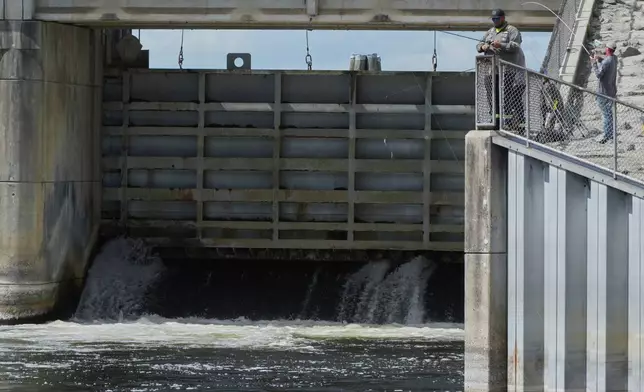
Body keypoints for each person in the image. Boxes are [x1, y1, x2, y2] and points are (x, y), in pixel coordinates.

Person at [476, 8, 526, 132]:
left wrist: (501, 45)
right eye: (493, 19)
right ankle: (495, 121)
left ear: (502, 18)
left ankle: (507, 123)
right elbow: (478, 45)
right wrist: (483, 46)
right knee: (492, 96)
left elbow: (515, 46)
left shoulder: (512, 31)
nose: (494, 21)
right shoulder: (490, 32)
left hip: (507, 70)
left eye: (496, 19)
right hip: (491, 70)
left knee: (506, 97)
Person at [591, 41, 618, 144]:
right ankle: (610, 135)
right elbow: (606, 62)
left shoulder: (607, 62)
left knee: (606, 115)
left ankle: (607, 136)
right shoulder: (614, 59)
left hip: (603, 93)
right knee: (609, 114)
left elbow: (598, 74)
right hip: (611, 92)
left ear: (607, 49)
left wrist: (593, 63)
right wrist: (599, 59)